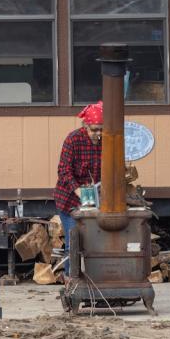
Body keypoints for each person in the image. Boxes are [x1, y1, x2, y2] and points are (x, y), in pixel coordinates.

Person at [54, 101, 103, 276]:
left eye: (101, 129)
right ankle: (71, 280)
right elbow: (64, 170)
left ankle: (96, 279)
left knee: (95, 240)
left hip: (95, 198)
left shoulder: (106, 141)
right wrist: (78, 190)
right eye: (94, 129)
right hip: (69, 199)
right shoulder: (73, 139)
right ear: (86, 125)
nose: (98, 134)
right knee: (73, 241)